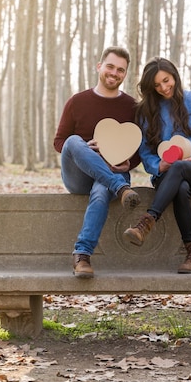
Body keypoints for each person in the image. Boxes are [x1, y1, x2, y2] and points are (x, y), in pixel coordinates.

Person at [123, 57, 191, 274]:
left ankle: (147, 221)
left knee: (179, 167)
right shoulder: (146, 112)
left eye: (166, 80)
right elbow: (144, 150)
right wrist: (157, 166)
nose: (163, 88)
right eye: (157, 85)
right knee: (180, 187)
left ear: (175, 76)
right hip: (166, 176)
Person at [54, 46, 142, 279]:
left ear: (125, 75)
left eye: (120, 70)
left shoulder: (132, 107)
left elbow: (141, 148)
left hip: (115, 171)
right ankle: (121, 187)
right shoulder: (77, 101)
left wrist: (129, 163)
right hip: (80, 176)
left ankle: (82, 255)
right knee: (74, 141)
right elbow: (59, 142)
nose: (114, 73)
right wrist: (85, 148)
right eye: (110, 66)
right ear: (99, 66)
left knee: (102, 190)